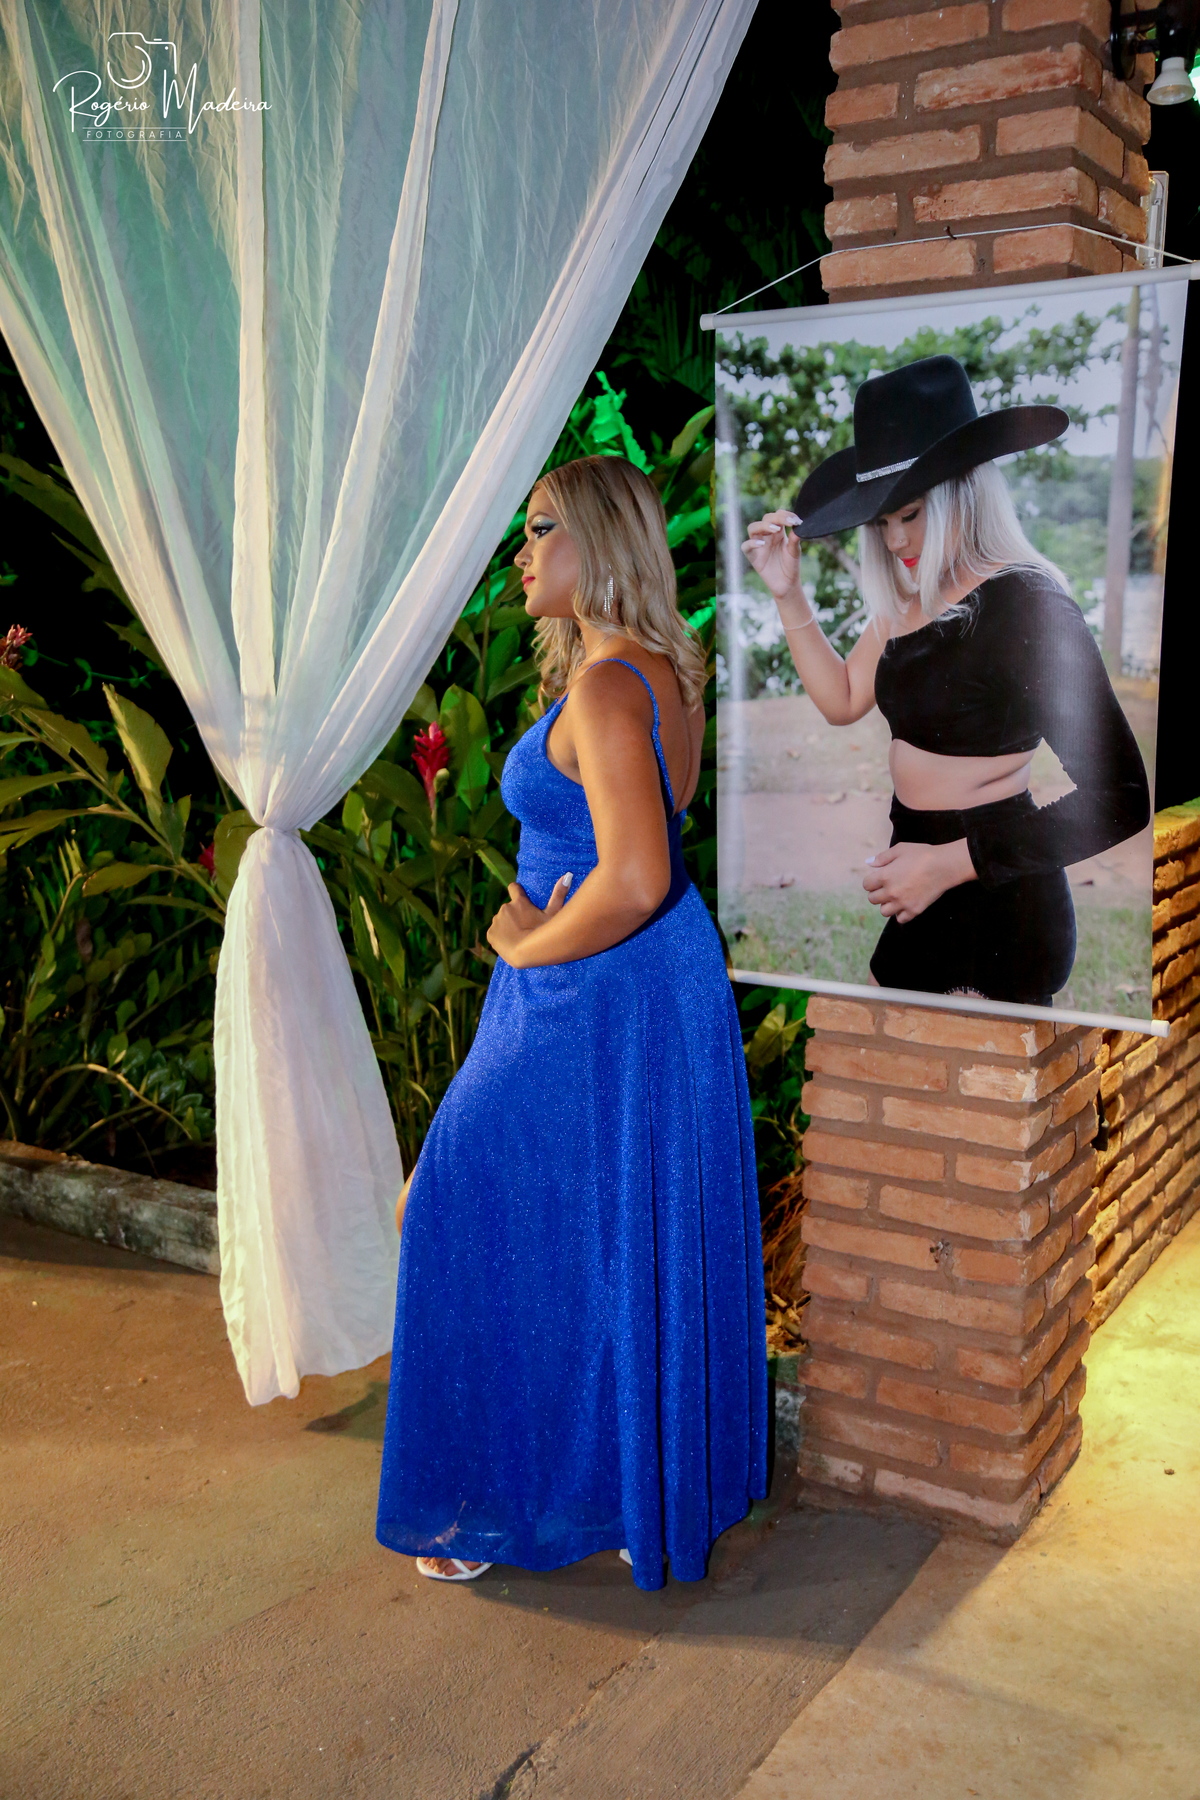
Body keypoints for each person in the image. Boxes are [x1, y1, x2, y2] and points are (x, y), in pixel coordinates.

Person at [377, 454, 768, 1590]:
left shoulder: (605, 687)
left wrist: (522, 946)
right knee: (615, 1231)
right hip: (656, 983)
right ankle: (630, 1492)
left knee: (448, 1198)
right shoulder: (665, 672)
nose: (522, 551)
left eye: (542, 527)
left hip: (588, 982)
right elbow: (657, 845)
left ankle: (488, 1504)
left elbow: (635, 875)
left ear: (600, 541)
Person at [742, 355, 1150, 1005]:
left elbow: (1119, 798)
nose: (895, 541)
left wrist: (945, 863)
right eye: (882, 522)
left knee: (946, 1071)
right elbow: (842, 699)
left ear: (962, 490)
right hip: (921, 878)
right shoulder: (910, 598)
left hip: (996, 891)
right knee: (881, 1056)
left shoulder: (1028, 605)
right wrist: (787, 594)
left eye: (910, 514)